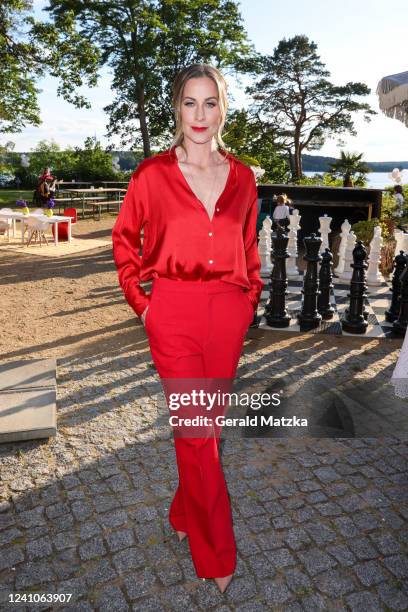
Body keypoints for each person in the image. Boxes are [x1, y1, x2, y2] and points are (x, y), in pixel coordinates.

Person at [111, 63, 263, 594]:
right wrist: (145, 306)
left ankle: (182, 512)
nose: (200, 115)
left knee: (207, 429)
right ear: (177, 107)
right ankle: (216, 551)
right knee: (197, 432)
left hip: (227, 314)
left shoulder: (244, 177)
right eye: (190, 102)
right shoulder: (151, 175)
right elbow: (124, 241)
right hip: (171, 311)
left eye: (211, 102)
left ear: (224, 107)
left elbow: (249, 247)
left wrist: (248, 299)